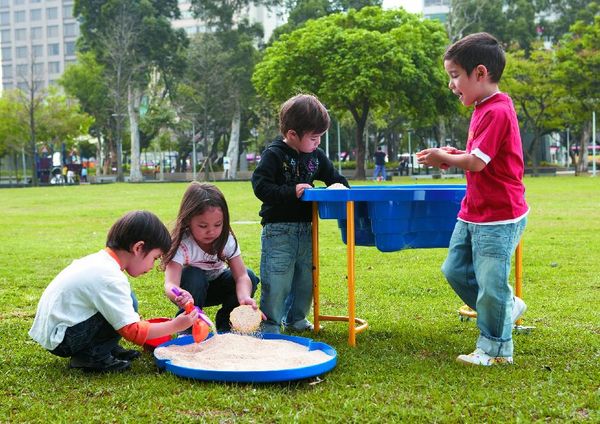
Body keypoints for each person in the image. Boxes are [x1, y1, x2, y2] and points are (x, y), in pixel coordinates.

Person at [416, 32, 529, 366]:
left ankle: (496, 349)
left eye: (455, 76)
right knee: (455, 269)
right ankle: (506, 307)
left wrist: (447, 158)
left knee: (491, 283)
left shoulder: (498, 111)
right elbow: (480, 155)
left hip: (499, 214)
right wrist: (451, 154)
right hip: (474, 212)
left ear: (480, 73)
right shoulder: (482, 108)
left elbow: (478, 162)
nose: (452, 84)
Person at [29, 211, 198, 373]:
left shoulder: (100, 262)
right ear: (139, 248)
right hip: (64, 338)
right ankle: (92, 356)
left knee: (127, 301)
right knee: (126, 306)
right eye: (154, 258)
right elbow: (133, 331)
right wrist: (177, 325)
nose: (152, 266)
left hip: (58, 330)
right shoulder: (109, 277)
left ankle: (105, 348)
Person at [251, 93, 350, 334]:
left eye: (320, 137)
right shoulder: (274, 154)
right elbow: (260, 186)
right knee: (278, 280)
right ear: (292, 134)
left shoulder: (316, 156)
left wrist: (341, 188)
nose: (318, 143)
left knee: (306, 279)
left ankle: (296, 320)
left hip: (307, 229)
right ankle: (271, 324)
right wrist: (290, 191)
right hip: (278, 230)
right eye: (314, 138)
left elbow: (334, 178)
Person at [162, 182, 260, 333]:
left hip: (216, 287)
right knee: (194, 274)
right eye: (203, 226)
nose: (211, 231)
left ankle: (226, 325)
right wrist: (178, 294)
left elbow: (241, 276)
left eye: (217, 225)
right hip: (191, 292)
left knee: (250, 276)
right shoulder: (182, 244)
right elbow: (170, 284)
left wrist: (244, 297)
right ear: (188, 220)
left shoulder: (226, 240)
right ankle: (188, 327)